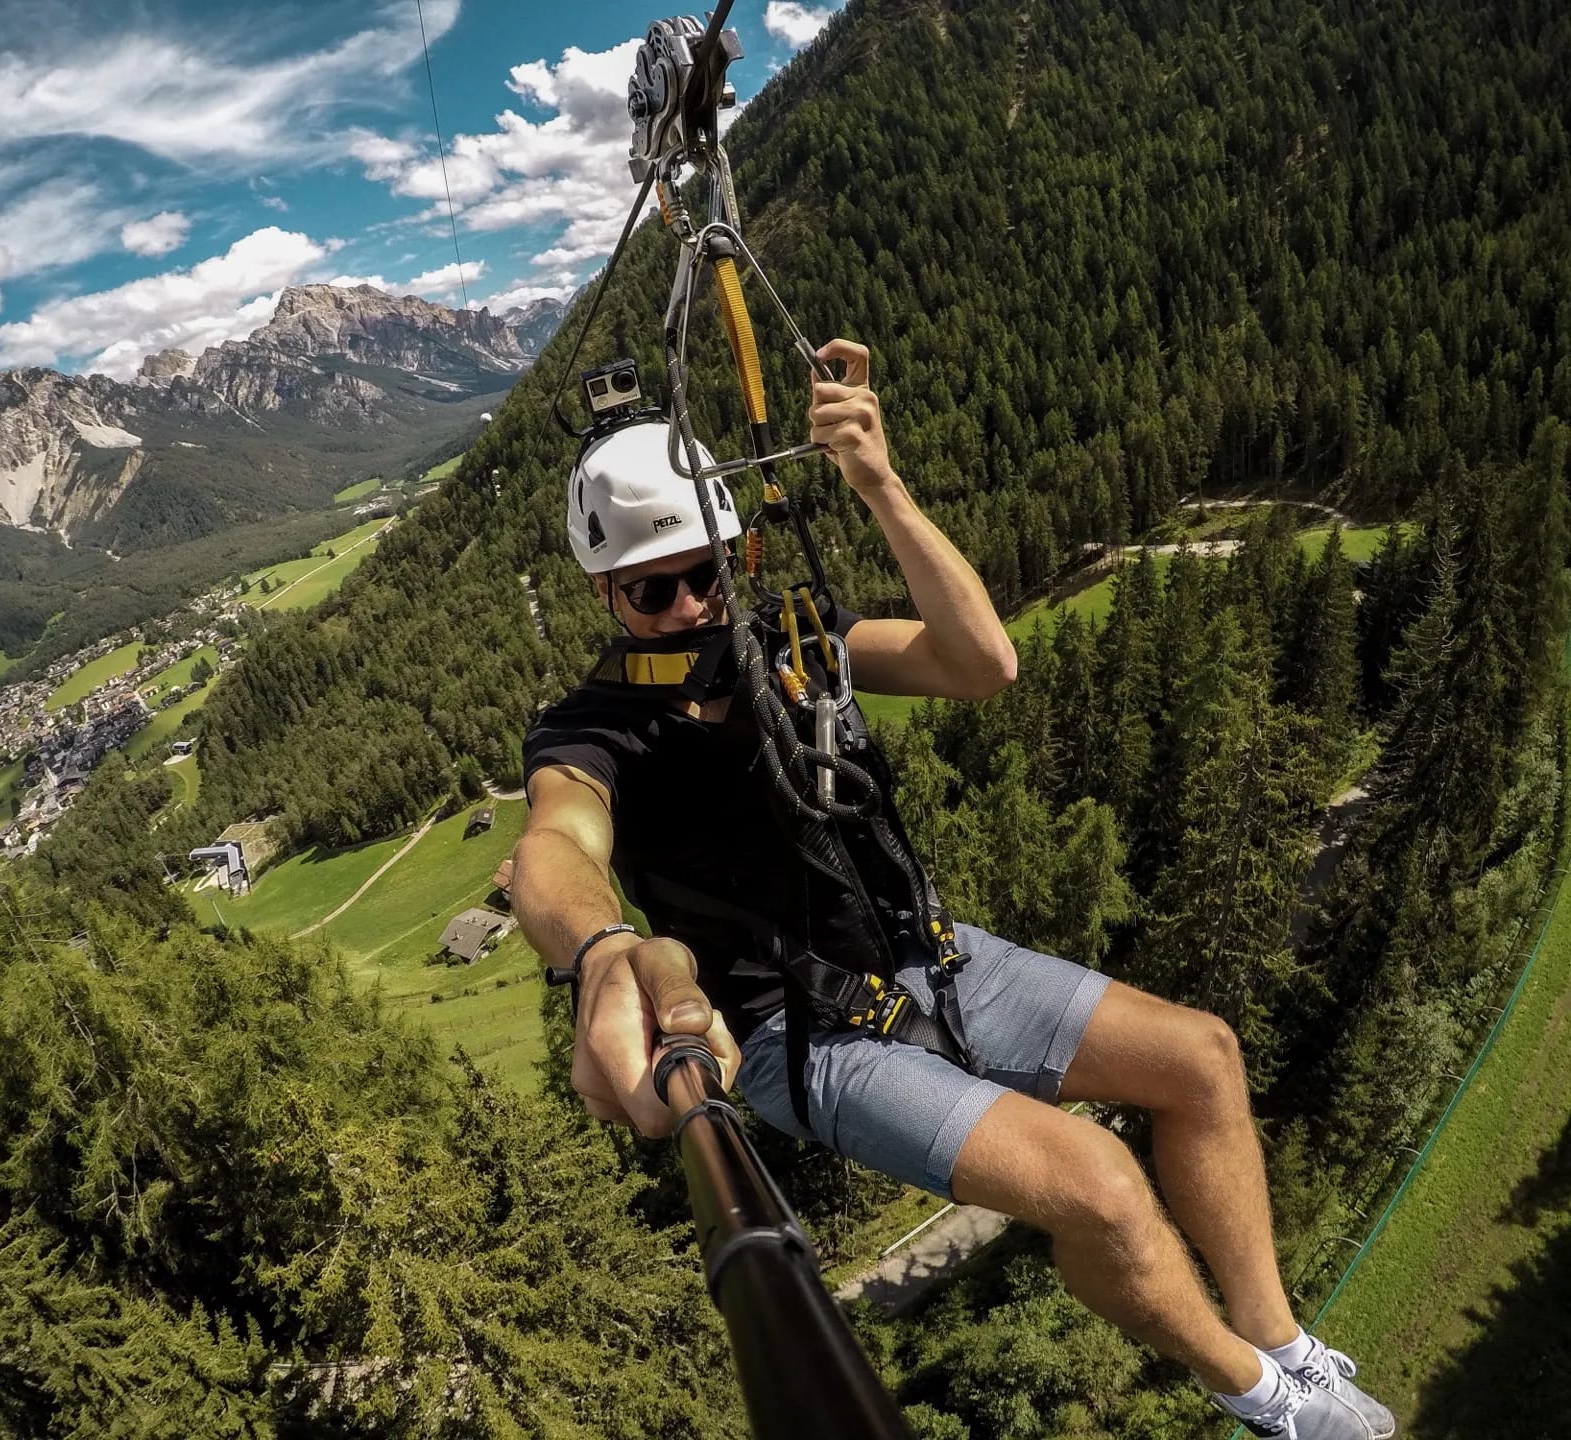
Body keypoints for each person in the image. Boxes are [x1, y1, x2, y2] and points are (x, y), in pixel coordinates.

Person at [513, 339, 1396, 1439]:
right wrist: (599, 949)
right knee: (1101, 1184)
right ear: (607, 592)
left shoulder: (797, 644)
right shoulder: (595, 729)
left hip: (932, 953)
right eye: (656, 588)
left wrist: (881, 485)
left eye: (710, 572)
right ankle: (1266, 1402)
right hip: (801, 1033)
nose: (693, 604)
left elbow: (980, 664)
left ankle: (1284, 1344)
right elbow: (556, 843)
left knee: (1202, 1058)